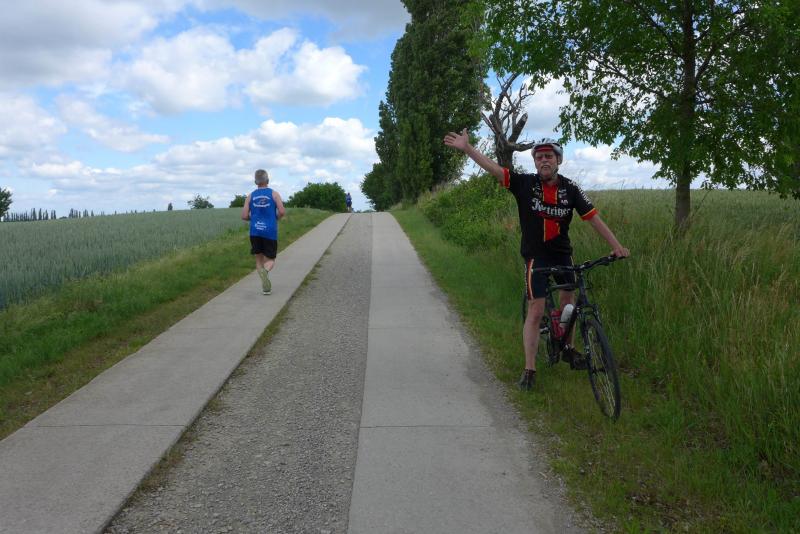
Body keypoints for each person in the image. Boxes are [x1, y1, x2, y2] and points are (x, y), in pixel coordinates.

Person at [443, 129, 629, 391]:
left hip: (562, 253)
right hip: (535, 256)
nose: (544, 161)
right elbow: (495, 169)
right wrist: (468, 149)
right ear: (535, 162)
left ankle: (568, 348)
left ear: (558, 160)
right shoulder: (525, 184)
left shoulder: (571, 188)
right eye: (539, 157)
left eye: (549, 156)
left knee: (568, 303)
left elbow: (593, 219)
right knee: (536, 311)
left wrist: (617, 246)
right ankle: (529, 369)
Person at [241, 169, 286, 295]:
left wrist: (253, 218)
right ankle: (265, 272)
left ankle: (266, 288)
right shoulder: (274, 194)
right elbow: (282, 211)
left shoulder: (250, 196)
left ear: (255, 182)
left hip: (255, 232)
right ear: (268, 180)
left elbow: (244, 216)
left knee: (259, 260)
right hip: (269, 231)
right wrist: (275, 218)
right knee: (270, 259)